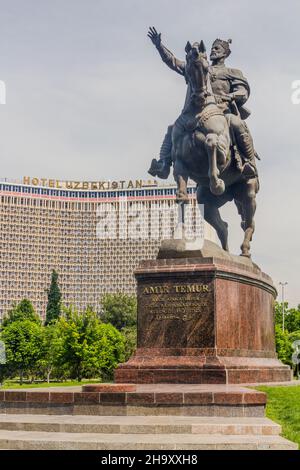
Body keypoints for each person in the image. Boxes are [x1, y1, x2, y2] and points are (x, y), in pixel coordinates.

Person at [147, 27, 258, 180]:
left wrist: (228, 96)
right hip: (197, 111)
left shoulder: (233, 72)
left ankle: (248, 162)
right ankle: (164, 163)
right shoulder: (198, 66)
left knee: (237, 123)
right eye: (212, 48)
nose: (213, 50)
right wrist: (159, 46)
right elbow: (173, 62)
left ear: (225, 53)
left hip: (222, 112)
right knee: (172, 128)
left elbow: (243, 92)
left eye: (217, 48)